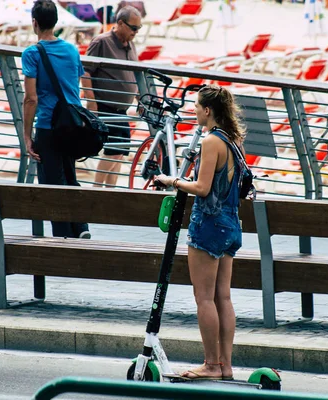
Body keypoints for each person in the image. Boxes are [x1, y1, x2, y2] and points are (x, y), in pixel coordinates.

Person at [155, 86, 245, 380]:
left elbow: (203, 188)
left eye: (196, 106)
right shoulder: (234, 141)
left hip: (208, 225)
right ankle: (226, 366)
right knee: (224, 297)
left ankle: (210, 365)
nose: (193, 110)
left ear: (208, 110)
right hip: (231, 225)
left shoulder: (210, 141)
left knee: (204, 298)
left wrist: (173, 180)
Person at [22, 0, 90, 239]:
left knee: (52, 185)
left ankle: (63, 239)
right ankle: (81, 227)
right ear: (55, 22)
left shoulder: (32, 53)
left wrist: (26, 136)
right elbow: (74, 83)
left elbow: (31, 99)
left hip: (48, 125)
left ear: (35, 23)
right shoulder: (71, 50)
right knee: (70, 177)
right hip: (71, 124)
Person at [82, 5, 141, 187]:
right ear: (121, 23)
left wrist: (140, 98)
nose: (136, 32)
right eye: (133, 28)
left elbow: (134, 74)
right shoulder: (102, 41)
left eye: (138, 29)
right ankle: (97, 190)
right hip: (106, 106)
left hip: (121, 109)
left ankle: (110, 192)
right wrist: (92, 103)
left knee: (120, 153)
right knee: (114, 151)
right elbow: (85, 71)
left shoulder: (130, 45)